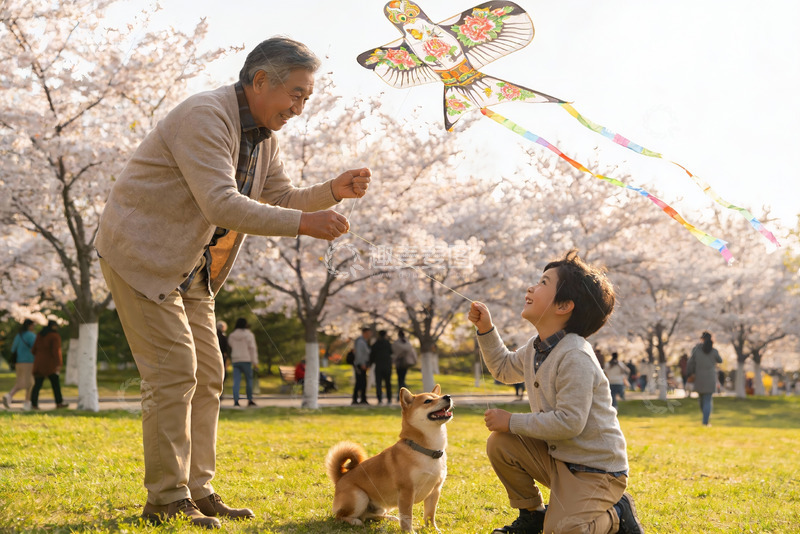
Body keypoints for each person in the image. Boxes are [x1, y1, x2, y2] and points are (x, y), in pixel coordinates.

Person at [95, 36, 371, 528]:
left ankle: (197, 490)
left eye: (308, 97)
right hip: (142, 254)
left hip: (193, 266)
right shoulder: (206, 116)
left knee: (209, 375)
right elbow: (221, 204)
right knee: (174, 372)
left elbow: (281, 194)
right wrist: (307, 224)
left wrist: (331, 191)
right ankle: (164, 499)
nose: (300, 108)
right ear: (260, 81)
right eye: (297, 94)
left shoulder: (263, 135)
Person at [468, 250, 644, 534]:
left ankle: (618, 513)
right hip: (559, 460)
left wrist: (511, 420)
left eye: (543, 282)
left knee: (565, 531)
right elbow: (503, 368)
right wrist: (486, 330)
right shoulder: (537, 347)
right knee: (501, 442)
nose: (531, 287)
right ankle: (533, 513)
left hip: (596, 473)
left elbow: (569, 422)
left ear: (563, 306)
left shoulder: (575, 355)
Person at [686, 331, 723, 426]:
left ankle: (705, 420)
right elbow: (720, 360)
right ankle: (705, 421)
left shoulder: (696, 350)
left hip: (699, 376)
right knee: (707, 399)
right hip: (710, 377)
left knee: (702, 399)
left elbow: (690, 362)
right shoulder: (714, 351)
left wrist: (690, 373)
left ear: (701, 339)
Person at [30, 320, 68, 410]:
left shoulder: (40, 335)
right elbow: (56, 351)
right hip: (50, 364)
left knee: (37, 384)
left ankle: (34, 404)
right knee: (55, 384)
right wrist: (58, 363)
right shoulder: (54, 336)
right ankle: (59, 402)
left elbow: (33, 350)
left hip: (39, 363)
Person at [3, 319, 37, 410]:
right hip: (29, 361)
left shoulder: (19, 335)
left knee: (21, 381)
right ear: (29, 326)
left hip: (18, 362)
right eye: (33, 325)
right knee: (30, 383)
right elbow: (36, 348)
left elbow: (13, 349)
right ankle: (25, 402)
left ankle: (9, 396)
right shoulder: (31, 336)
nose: (34, 327)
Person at [228, 318, 259, 408]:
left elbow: (230, 344)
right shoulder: (249, 335)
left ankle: (236, 401)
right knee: (249, 380)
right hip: (246, 359)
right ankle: (249, 399)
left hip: (236, 360)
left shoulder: (232, 335)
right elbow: (252, 349)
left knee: (236, 381)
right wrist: (255, 362)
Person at [370, 330, 393, 405]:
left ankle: (379, 399)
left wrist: (369, 364)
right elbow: (391, 353)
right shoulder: (388, 343)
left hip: (378, 366)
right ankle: (389, 398)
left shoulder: (375, 344)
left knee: (378, 383)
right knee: (388, 383)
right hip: (387, 366)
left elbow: (372, 356)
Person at [391, 328, 416, 395]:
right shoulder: (407, 343)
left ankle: (401, 392)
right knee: (402, 378)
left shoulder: (396, 343)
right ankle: (403, 391)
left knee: (400, 379)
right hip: (405, 363)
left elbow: (394, 352)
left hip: (399, 363)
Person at [351, 327, 371, 405]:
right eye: (368, 333)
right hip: (360, 365)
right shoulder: (360, 342)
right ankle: (355, 399)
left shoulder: (363, 341)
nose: (370, 335)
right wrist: (362, 363)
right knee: (359, 382)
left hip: (363, 364)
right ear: (365, 333)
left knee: (362, 382)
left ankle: (363, 398)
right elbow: (359, 354)